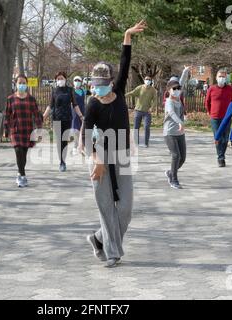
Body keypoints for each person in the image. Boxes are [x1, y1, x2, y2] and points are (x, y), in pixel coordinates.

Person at [83, 20, 146, 268]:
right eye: (94, 83)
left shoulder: (119, 91)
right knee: (106, 206)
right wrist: (96, 160)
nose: (98, 86)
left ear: (110, 81)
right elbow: (87, 134)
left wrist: (127, 35)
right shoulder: (92, 104)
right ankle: (112, 253)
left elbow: (125, 60)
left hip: (122, 153)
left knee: (126, 208)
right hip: (99, 156)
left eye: (102, 82)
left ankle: (98, 239)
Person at [6, 75, 43, 188]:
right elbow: (7, 115)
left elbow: (36, 115)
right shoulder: (10, 99)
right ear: (16, 84)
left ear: (26, 84)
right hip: (15, 129)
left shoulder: (31, 99)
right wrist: (6, 130)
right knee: (18, 151)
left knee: (24, 153)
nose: (21, 85)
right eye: (19, 82)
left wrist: (39, 130)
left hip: (27, 129)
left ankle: (19, 172)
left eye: (23, 83)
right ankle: (22, 175)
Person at [43, 71, 85, 172]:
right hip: (56, 118)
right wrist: (44, 116)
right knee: (59, 141)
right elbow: (50, 105)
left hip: (67, 118)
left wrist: (80, 115)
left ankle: (63, 161)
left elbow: (75, 104)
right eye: (58, 79)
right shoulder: (54, 91)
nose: (60, 80)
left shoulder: (70, 90)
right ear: (56, 80)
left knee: (64, 141)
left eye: (61, 78)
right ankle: (61, 161)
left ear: (65, 79)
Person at [205, 69, 232, 167]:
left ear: (226, 78)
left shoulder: (230, 89)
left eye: (223, 76)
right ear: (216, 78)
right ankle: (220, 157)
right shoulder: (212, 89)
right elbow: (207, 102)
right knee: (218, 137)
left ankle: (222, 155)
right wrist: (210, 113)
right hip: (215, 118)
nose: (222, 78)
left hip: (226, 117)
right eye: (220, 76)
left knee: (225, 138)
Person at [163, 79, 186, 190]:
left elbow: (181, 81)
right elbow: (171, 112)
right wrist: (180, 122)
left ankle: (171, 172)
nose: (177, 90)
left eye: (178, 88)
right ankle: (173, 180)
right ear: (169, 90)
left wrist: (186, 71)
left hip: (180, 133)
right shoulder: (169, 102)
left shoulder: (178, 99)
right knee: (176, 156)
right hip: (170, 133)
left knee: (182, 158)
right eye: (174, 89)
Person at [126, 75, 158, 148]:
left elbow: (155, 100)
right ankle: (135, 143)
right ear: (144, 80)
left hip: (147, 112)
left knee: (147, 127)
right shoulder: (140, 88)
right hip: (138, 110)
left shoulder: (153, 90)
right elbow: (132, 93)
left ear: (151, 81)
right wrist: (123, 95)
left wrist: (152, 108)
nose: (147, 81)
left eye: (149, 80)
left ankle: (146, 143)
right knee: (136, 127)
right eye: (146, 79)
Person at [71, 76, 88, 155]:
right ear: (73, 81)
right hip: (74, 112)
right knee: (76, 130)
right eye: (75, 80)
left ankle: (82, 147)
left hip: (83, 111)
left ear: (81, 82)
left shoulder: (83, 91)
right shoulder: (71, 91)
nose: (77, 81)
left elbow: (93, 93)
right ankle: (75, 147)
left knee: (83, 129)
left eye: (79, 80)